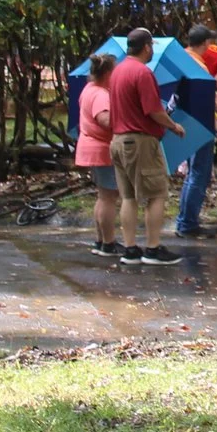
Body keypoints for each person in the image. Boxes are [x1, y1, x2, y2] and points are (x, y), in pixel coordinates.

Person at [108, 28, 186, 265]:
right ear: (146, 47)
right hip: (140, 141)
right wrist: (173, 125)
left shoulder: (117, 71)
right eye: (151, 46)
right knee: (156, 194)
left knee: (128, 196)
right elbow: (153, 110)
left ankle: (130, 248)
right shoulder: (142, 73)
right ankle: (153, 248)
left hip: (118, 140)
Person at [171, 25, 217, 238]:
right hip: (200, 123)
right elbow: (201, 96)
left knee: (193, 173)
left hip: (187, 122)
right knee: (199, 173)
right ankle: (188, 223)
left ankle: (185, 219)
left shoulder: (182, 58)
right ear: (206, 42)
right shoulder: (196, 65)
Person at [74, 52, 120, 255]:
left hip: (92, 148)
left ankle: (101, 240)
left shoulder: (89, 89)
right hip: (102, 149)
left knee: (103, 196)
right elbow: (105, 120)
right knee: (109, 197)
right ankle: (109, 243)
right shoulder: (101, 95)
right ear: (108, 73)